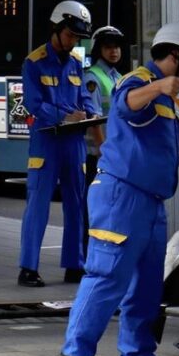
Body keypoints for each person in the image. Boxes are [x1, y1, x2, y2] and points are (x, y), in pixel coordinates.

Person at [60, 22, 179, 356]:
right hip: (121, 195)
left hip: (150, 201)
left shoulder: (169, 95)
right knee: (107, 275)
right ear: (175, 56)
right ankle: (76, 351)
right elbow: (125, 105)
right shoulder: (137, 81)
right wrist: (158, 86)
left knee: (148, 283)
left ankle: (138, 353)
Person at [18, 0, 100, 287]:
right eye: (70, 36)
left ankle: (74, 264)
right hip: (47, 141)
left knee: (76, 204)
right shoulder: (34, 62)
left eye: (77, 38)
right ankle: (28, 267)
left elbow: (85, 97)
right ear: (56, 28)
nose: (73, 42)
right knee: (38, 204)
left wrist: (90, 111)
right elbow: (32, 103)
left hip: (73, 141)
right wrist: (64, 116)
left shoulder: (77, 63)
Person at [81, 25, 126, 257]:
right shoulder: (92, 78)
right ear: (99, 50)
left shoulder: (118, 78)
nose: (114, 51)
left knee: (110, 209)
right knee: (94, 211)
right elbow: (94, 119)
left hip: (113, 155)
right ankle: (88, 256)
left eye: (117, 47)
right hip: (98, 156)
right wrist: (103, 151)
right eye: (108, 47)